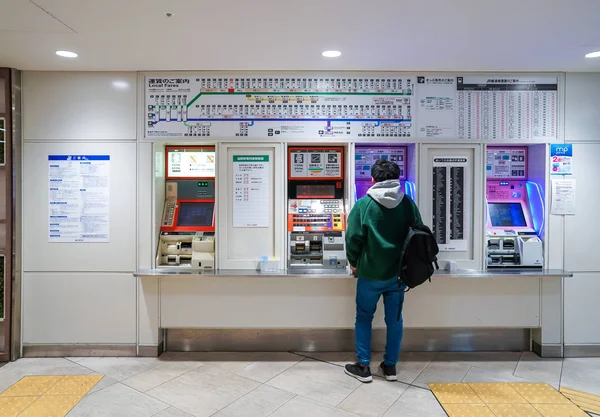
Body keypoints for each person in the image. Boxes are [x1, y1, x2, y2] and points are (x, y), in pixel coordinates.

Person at [344, 158, 422, 383]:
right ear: (397, 179)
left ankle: (363, 366)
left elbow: (353, 239)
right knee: (395, 320)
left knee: (364, 319)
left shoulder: (363, 205)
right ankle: (390, 367)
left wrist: (354, 262)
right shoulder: (408, 204)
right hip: (398, 275)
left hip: (369, 274)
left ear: (372, 179)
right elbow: (418, 233)